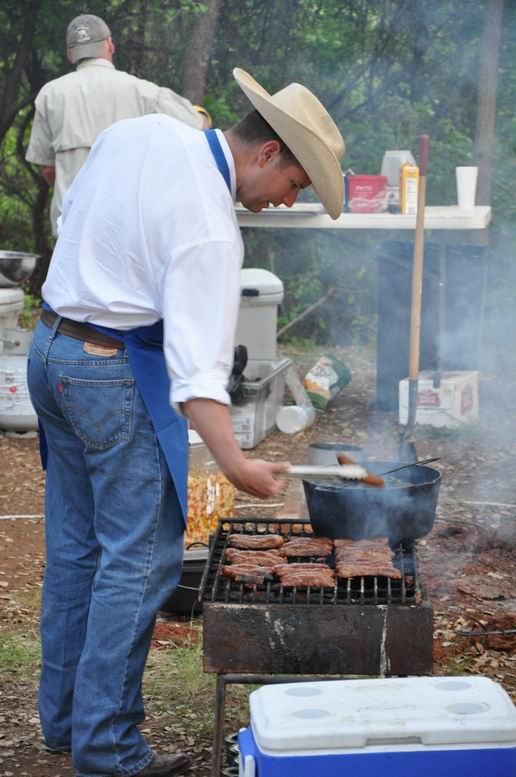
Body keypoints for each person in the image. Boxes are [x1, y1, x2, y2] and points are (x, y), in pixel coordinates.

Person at [27, 66, 345, 777]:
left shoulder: (144, 131)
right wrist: (236, 462)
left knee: (80, 545)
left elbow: (84, 219)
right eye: (294, 186)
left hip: (50, 349)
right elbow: (200, 374)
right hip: (105, 369)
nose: (283, 203)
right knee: (142, 556)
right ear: (267, 153)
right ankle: (106, 748)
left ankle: (67, 719)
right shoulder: (211, 224)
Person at [25, 13, 204, 236]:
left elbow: (49, 169)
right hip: (125, 229)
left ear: (70, 54)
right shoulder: (144, 92)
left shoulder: (50, 95)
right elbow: (198, 126)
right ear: (110, 45)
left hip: (71, 229)